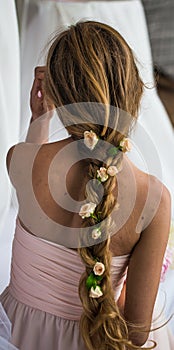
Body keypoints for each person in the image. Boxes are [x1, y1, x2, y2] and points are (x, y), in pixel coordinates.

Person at [0, 21, 173, 350]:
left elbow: (31, 166)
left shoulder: (20, 161)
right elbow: (135, 333)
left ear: (56, 94)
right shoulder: (155, 201)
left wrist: (40, 119)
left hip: (18, 335)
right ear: (132, 92)